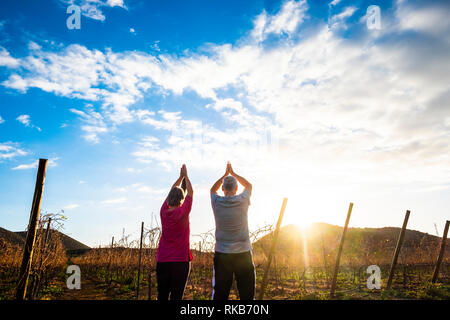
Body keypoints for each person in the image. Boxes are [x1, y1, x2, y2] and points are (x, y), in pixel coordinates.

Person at [210, 162, 255, 300]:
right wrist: (233, 173)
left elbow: (212, 189)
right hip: (243, 252)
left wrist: (225, 175)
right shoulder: (242, 200)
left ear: (222, 188)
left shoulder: (216, 201)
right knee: (246, 293)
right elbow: (249, 185)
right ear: (236, 188)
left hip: (222, 254)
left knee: (220, 294)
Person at [156, 164, 194, 300]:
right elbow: (191, 192)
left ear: (169, 199)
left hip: (163, 260)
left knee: (162, 295)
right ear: (181, 199)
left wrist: (180, 177)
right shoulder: (183, 211)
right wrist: (186, 176)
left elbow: (171, 191)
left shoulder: (163, 212)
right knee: (177, 297)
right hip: (180, 261)